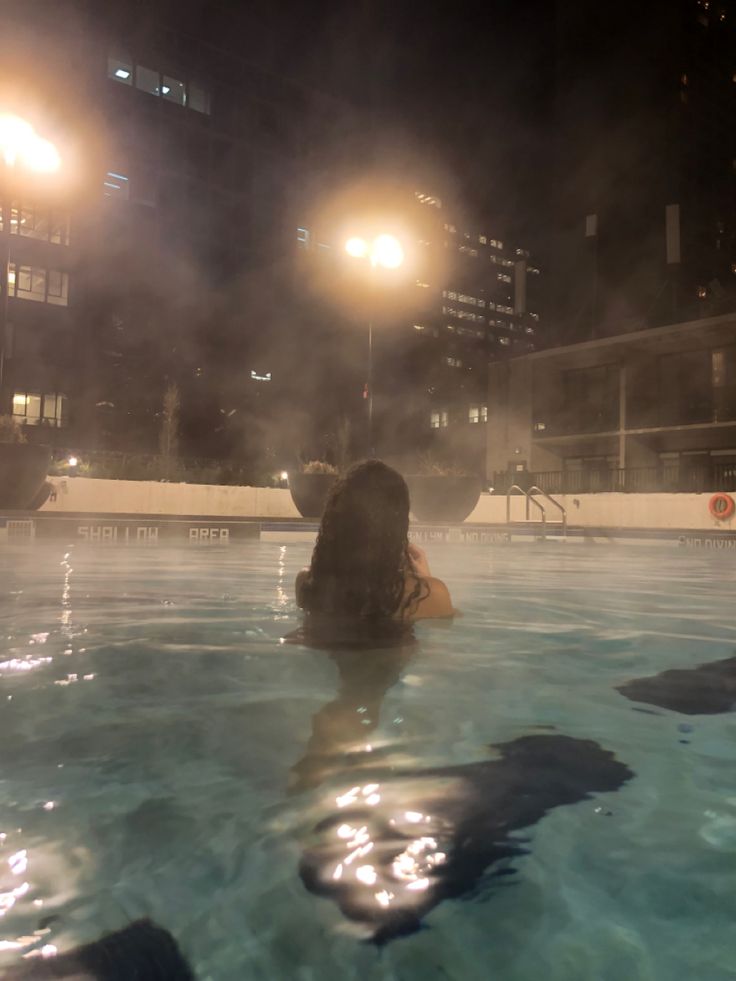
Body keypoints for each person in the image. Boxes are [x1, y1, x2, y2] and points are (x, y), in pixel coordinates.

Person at [295, 459, 453, 620]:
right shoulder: (424, 595)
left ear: (335, 521)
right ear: (397, 525)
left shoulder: (308, 583)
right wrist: (426, 579)